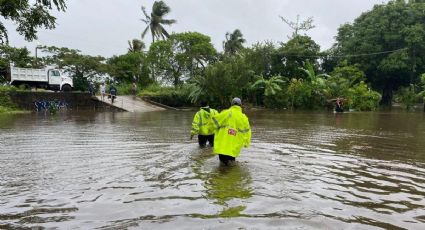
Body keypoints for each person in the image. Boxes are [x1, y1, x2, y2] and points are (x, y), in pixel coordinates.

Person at [211, 97, 251, 165]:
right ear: (240, 105)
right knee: (231, 165)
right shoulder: (244, 117)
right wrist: (246, 143)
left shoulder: (225, 113)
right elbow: (247, 132)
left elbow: (214, 123)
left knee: (222, 166)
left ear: (231, 104)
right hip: (234, 148)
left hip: (222, 147)